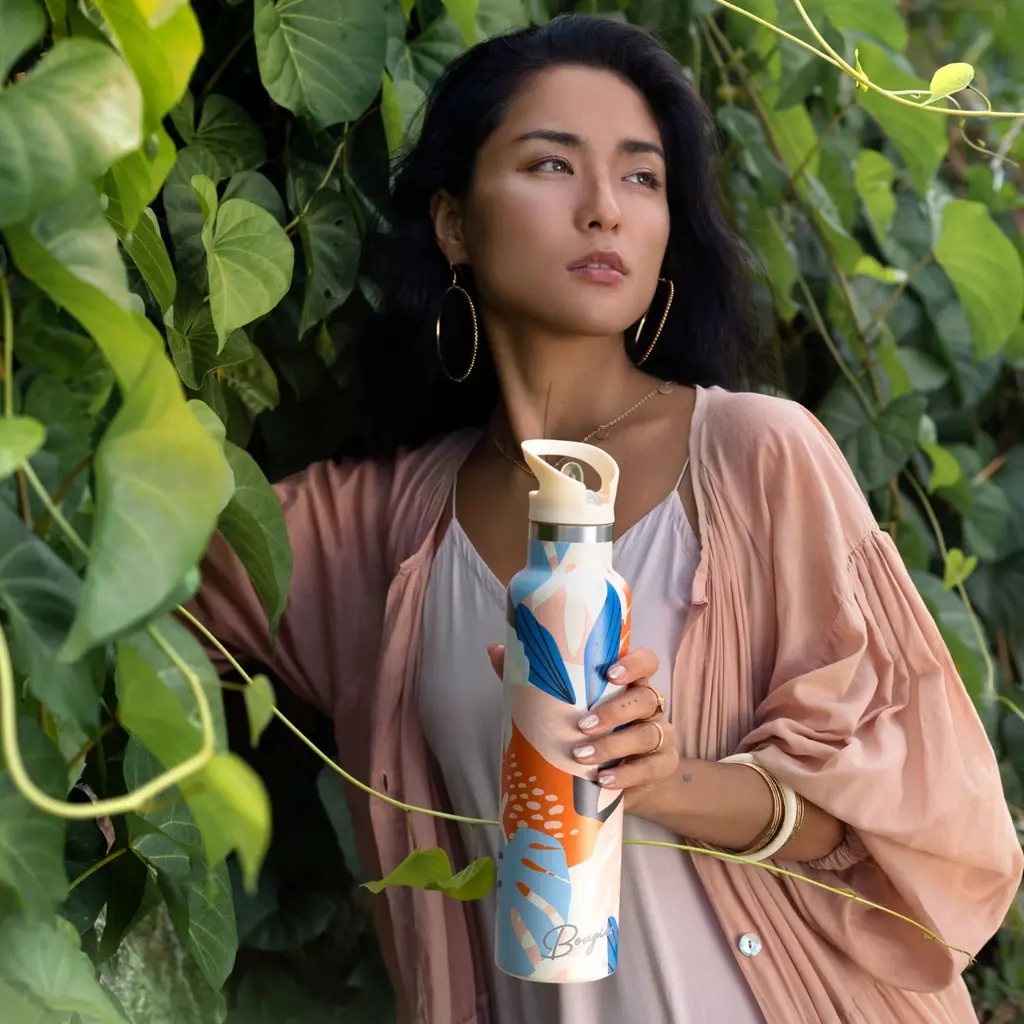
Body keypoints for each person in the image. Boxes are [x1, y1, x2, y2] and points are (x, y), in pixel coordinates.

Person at [190, 15, 1022, 1024]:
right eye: (551, 165)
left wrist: (672, 779)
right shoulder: (381, 526)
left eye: (641, 177)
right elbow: (138, 567)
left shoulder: (756, 454)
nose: (604, 210)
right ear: (453, 223)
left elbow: (910, 807)